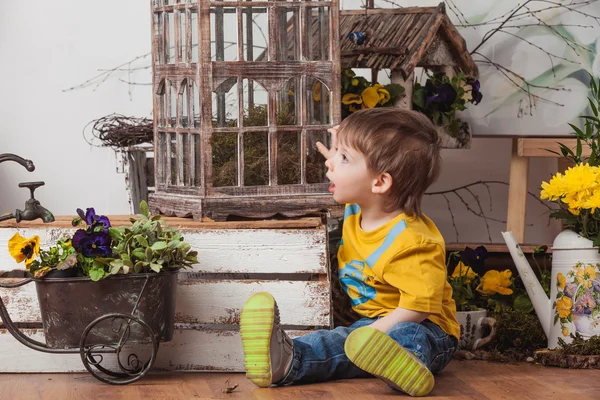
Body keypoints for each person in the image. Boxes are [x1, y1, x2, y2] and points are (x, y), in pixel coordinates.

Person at [239, 108, 459, 397]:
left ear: (379, 182)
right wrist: (339, 156)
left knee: (405, 335)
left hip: (430, 330)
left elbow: (419, 308)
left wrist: (375, 333)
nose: (330, 166)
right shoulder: (358, 206)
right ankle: (286, 360)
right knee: (334, 341)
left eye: (344, 159)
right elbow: (355, 177)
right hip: (373, 324)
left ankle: (409, 364)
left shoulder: (413, 242)